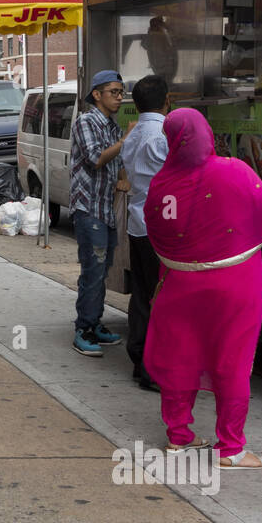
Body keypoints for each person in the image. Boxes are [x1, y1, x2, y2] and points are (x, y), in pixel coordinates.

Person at [143, 109, 262, 469]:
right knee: (231, 361)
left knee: (180, 355)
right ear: (207, 134)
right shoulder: (234, 170)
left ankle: (179, 436)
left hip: (178, 285)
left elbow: (153, 233)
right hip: (234, 285)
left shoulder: (159, 184)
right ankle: (231, 448)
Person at [68, 70, 130, 357]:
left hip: (105, 208)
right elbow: (96, 158)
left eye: (121, 92)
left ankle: (95, 321)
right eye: (114, 92)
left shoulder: (111, 126)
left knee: (102, 270)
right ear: (97, 94)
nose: (120, 97)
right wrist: (125, 140)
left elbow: (115, 161)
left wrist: (122, 176)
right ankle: (84, 328)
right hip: (89, 208)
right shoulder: (87, 121)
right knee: (93, 270)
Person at [120, 75, 169, 391]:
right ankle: (152, 366)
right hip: (160, 225)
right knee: (161, 297)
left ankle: (140, 358)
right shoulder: (162, 136)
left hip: (138, 221)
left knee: (142, 292)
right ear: (167, 100)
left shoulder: (134, 134)